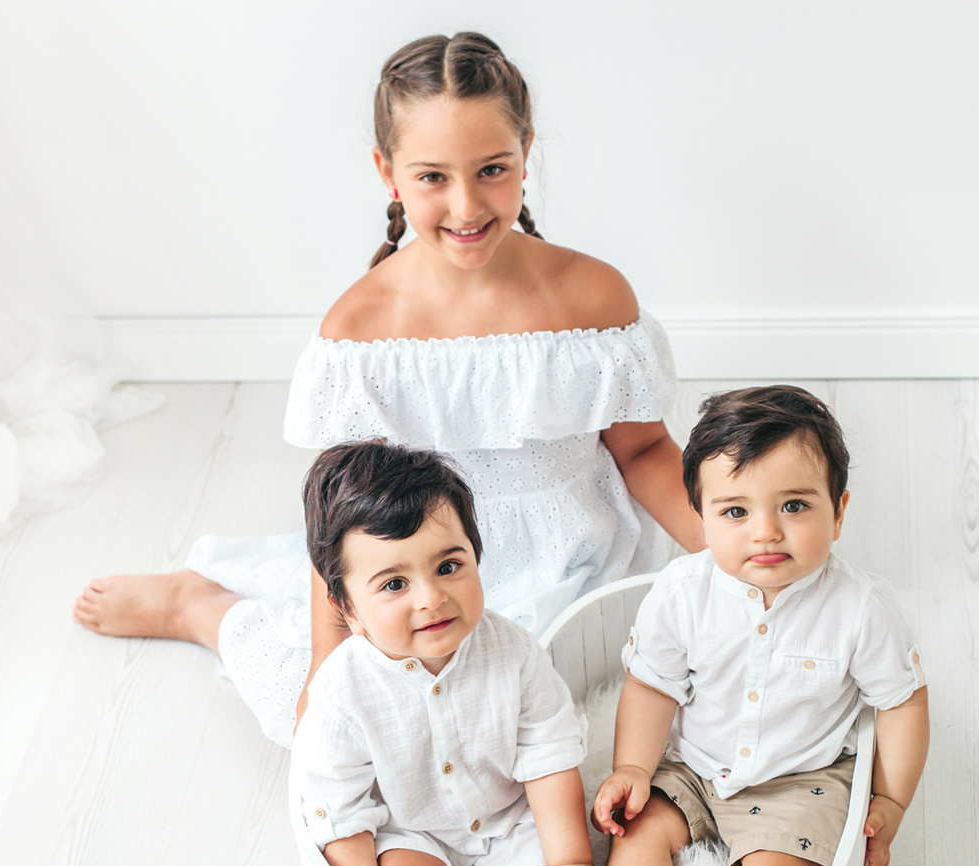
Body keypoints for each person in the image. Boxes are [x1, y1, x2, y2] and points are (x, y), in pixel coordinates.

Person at [71, 31, 703, 744]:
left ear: (526, 151)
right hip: (419, 566)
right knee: (356, 726)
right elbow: (344, 508)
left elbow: (642, 450)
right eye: (433, 177)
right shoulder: (363, 330)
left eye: (492, 169)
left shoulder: (592, 296)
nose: (466, 205)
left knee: (582, 705)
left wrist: (725, 542)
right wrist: (325, 665)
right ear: (388, 172)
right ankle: (201, 609)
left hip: (577, 558)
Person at [547, 386, 931, 866]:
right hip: (696, 765)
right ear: (700, 515)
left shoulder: (861, 609)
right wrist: (634, 769)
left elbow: (902, 703)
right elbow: (652, 687)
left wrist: (891, 800)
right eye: (735, 512)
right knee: (640, 831)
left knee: (782, 862)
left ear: (839, 511)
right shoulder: (682, 591)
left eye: (794, 506)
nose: (766, 532)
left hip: (800, 778)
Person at [292, 440, 602, 866]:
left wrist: (570, 862)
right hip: (412, 833)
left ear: (477, 558)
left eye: (448, 567)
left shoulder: (513, 650)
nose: (431, 598)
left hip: (508, 820)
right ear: (347, 609)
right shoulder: (340, 692)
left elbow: (548, 755)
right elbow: (338, 812)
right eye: (394, 585)